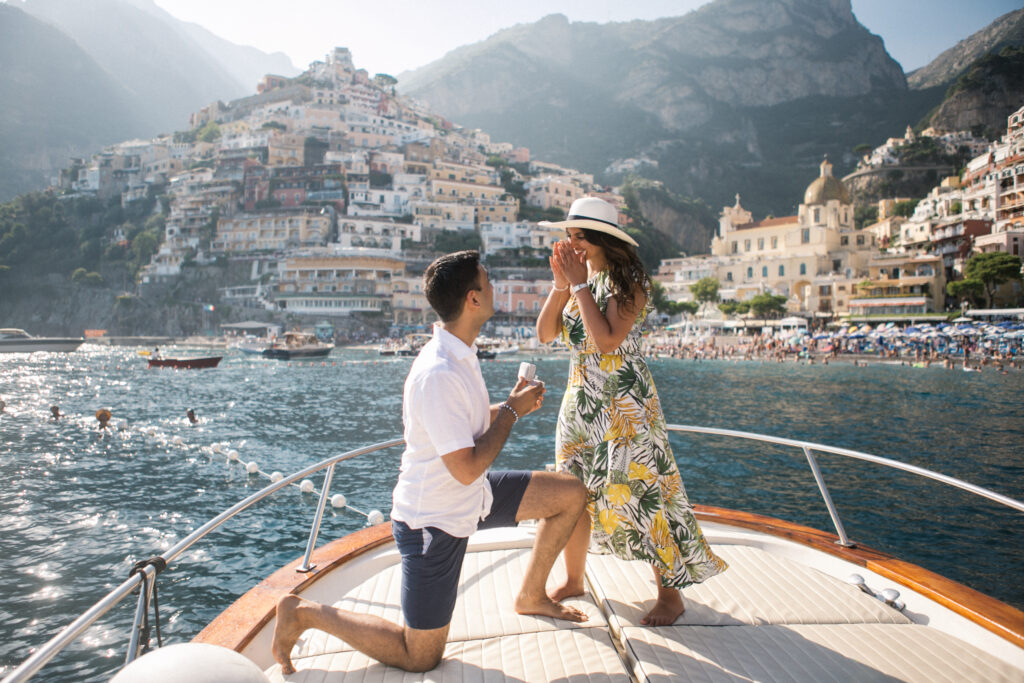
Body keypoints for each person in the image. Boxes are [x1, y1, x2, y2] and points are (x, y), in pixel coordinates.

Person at [272, 250, 588, 674]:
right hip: (433, 522)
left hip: (470, 498)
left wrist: (510, 406)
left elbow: (464, 431)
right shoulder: (438, 372)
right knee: (419, 656)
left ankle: (531, 595)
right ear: (473, 300)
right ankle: (302, 613)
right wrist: (511, 413)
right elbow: (466, 467)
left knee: (570, 494)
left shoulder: (459, 352)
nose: (494, 286)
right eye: (488, 280)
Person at [536, 197, 727, 626]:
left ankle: (670, 596)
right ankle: (573, 578)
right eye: (568, 235)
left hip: (625, 405)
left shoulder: (630, 285)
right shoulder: (576, 282)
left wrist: (580, 285)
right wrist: (560, 285)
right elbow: (546, 334)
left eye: (578, 236)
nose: (570, 243)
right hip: (581, 403)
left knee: (647, 494)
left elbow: (606, 341)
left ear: (602, 240)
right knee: (574, 493)